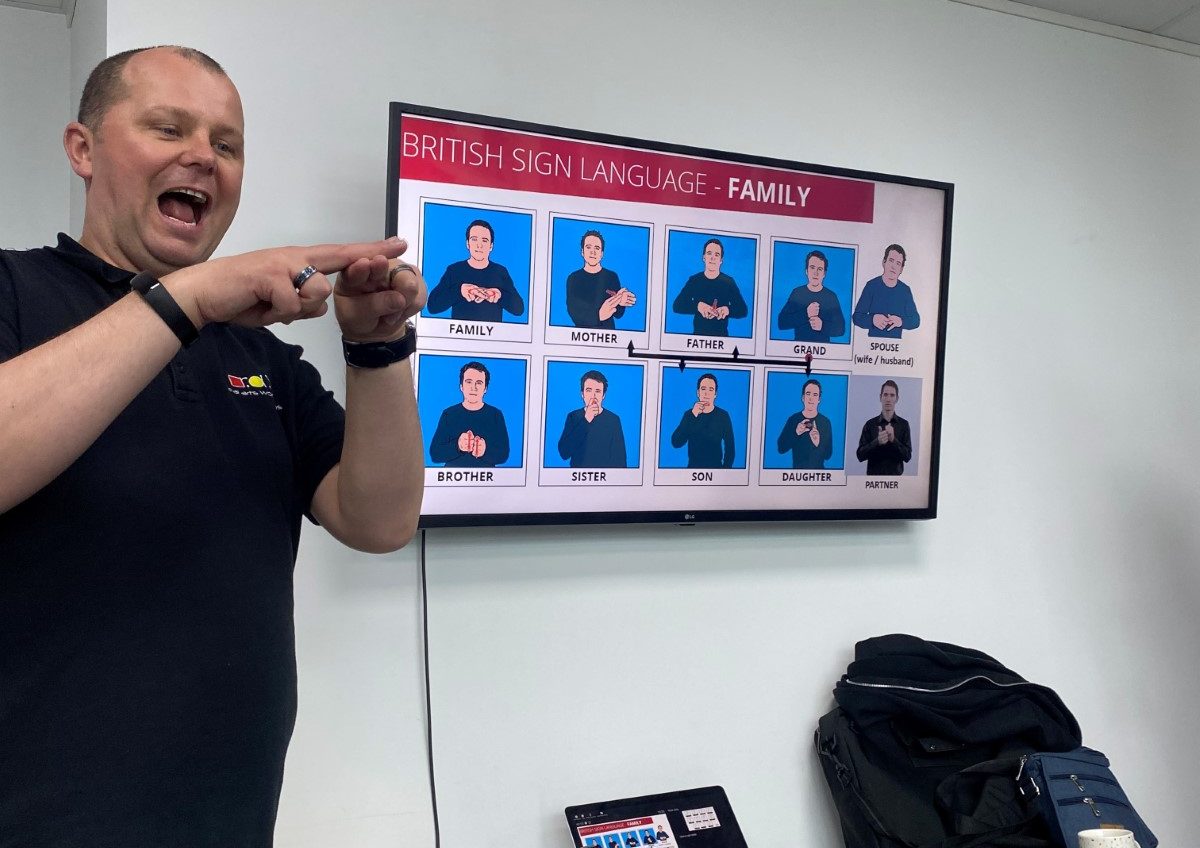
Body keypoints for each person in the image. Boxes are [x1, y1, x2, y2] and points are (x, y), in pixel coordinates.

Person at [0, 46, 427, 845]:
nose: (204, 155)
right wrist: (189, 296)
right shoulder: (15, 292)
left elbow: (380, 520)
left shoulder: (263, 358)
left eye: (227, 145)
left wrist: (378, 350)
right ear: (82, 150)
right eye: (168, 127)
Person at [426, 219, 525, 322]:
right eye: (474, 239)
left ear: (491, 246)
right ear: (467, 244)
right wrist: (459, 291)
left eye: (484, 240)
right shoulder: (454, 270)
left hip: (493, 336)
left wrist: (500, 295)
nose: (479, 245)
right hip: (459, 336)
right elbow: (432, 307)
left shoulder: (500, 272)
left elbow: (519, 310)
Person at [429, 360, 510, 467]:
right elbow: (435, 454)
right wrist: (457, 446)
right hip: (453, 479)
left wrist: (485, 451)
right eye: (469, 381)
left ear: (485, 388)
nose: (474, 388)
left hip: (486, 480)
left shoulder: (495, 415)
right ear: (461, 386)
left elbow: (504, 454)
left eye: (479, 383)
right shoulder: (449, 414)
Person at [671, 237, 748, 336]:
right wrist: (698, 306)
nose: (712, 258)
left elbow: (743, 310)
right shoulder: (694, 280)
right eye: (709, 253)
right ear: (703, 257)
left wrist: (727, 310)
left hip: (722, 339)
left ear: (721, 260)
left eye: (717, 255)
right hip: (698, 339)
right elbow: (677, 306)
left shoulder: (729, 282)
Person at [565, 229, 635, 329]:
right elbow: (573, 312)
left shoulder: (611, 276)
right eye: (588, 247)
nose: (592, 252)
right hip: (581, 336)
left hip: (608, 336)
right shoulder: (573, 278)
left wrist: (620, 301)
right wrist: (599, 316)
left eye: (597, 248)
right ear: (582, 252)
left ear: (601, 254)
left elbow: (618, 315)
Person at [557, 369, 627, 468]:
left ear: (603, 395)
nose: (593, 396)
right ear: (582, 394)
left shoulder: (613, 420)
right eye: (588, 390)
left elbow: (620, 461)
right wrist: (586, 420)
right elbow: (564, 453)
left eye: (597, 391)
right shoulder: (573, 417)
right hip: (577, 478)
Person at [851, 243, 920, 338]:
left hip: (896, 346)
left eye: (898, 263)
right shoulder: (871, 286)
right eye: (891, 261)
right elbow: (856, 317)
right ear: (884, 262)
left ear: (901, 269)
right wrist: (873, 320)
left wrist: (901, 321)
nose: (893, 266)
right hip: (872, 344)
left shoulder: (905, 290)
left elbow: (916, 320)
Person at [777, 249, 845, 343]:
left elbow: (841, 329)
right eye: (812, 267)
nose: (815, 273)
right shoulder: (797, 293)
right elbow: (782, 322)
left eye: (820, 269)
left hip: (824, 351)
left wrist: (822, 326)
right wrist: (806, 314)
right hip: (798, 351)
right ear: (806, 271)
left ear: (824, 274)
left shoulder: (831, 297)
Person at [669, 372, 735, 469]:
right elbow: (676, 442)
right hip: (692, 471)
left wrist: (724, 472)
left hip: (716, 470)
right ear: (698, 392)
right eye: (703, 389)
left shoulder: (723, 416)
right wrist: (693, 415)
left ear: (715, 394)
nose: (706, 393)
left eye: (711, 389)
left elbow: (730, 448)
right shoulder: (689, 415)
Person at [856, 379, 912, 475]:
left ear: (897, 399)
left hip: (895, 484)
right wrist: (877, 442)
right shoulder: (870, 424)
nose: (888, 399)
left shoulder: (904, 425)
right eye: (885, 395)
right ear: (880, 397)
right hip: (872, 483)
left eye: (892, 395)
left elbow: (907, 457)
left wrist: (894, 440)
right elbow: (860, 456)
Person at [776, 378, 833, 469]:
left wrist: (818, 443)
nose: (811, 398)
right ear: (803, 398)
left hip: (819, 477)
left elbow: (828, 455)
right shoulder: (793, 419)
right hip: (797, 476)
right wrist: (796, 433)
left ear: (819, 399)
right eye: (808, 394)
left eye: (815, 395)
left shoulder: (825, 422)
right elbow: (781, 448)